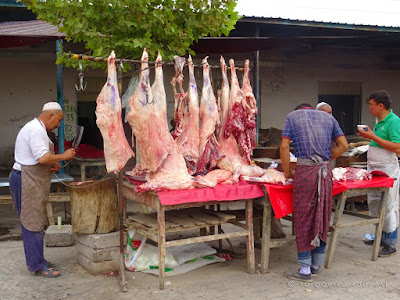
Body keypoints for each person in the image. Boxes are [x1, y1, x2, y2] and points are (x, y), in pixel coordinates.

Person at [280, 103, 348, 282]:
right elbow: (343, 145)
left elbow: (284, 146)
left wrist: (287, 172)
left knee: (303, 217)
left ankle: (304, 269)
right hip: (325, 174)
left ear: (298, 110)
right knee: (322, 214)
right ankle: (316, 264)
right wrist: (324, 158)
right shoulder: (329, 117)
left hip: (305, 173)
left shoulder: (291, 117)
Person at [9, 102, 76, 277]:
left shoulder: (36, 128)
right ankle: (37, 264)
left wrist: (53, 162)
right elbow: (42, 157)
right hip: (26, 180)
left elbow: (40, 156)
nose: (59, 125)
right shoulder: (36, 130)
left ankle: (38, 260)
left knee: (36, 221)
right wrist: (63, 156)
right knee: (31, 223)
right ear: (50, 116)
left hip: (30, 178)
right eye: (58, 120)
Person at [358, 90, 400, 257]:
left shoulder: (394, 121)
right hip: (375, 169)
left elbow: (397, 147)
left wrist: (372, 136)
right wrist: (370, 136)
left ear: (380, 105)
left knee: (388, 206)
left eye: (371, 104)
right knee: (374, 203)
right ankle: (381, 236)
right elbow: (380, 143)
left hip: (388, 170)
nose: (369, 107)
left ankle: (390, 243)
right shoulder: (379, 121)